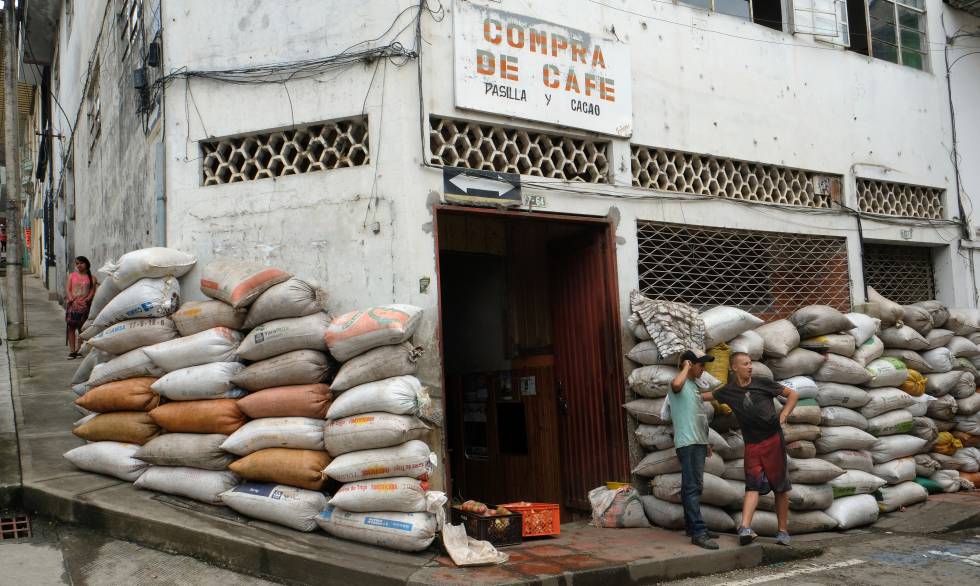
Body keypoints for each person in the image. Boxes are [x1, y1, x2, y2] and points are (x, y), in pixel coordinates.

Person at [702, 351, 798, 547]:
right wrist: (682, 388)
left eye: (750, 363)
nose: (750, 367)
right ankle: (745, 528)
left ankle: (782, 531)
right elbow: (706, 396)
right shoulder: (727, 391)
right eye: (745, 364)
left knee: (780, 487)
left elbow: (793, 394)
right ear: (734, 368)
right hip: (752, 445)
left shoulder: (762, 383)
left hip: (773, 441)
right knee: (752, 484)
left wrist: (784, 414)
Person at [670, 350, 720, 550]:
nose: (703, 370)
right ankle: (698, 532)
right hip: (687, 443)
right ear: (689, 365)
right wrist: (686, 368)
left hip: (697, 442)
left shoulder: (694, 388)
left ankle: (693, 527)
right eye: (700, 365)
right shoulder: (679, 385)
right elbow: (675, 385)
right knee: (691, 488)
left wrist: (705, 442)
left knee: (695, 486)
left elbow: (697, 417)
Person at [65, 256, 97, 359]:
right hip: (73, 305)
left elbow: (92, 291)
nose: (79, 265)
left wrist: (87, 300)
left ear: (86, 264)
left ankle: (79, 350)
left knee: (82, 328)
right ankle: (72, 351)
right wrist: (72, 300)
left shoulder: (92, 278)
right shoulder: (72, 276)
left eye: (81, 263)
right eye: (77, 263)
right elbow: (68, 289)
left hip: (85, 306)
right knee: (71, 327)